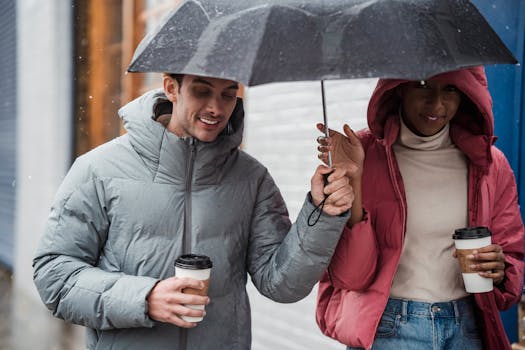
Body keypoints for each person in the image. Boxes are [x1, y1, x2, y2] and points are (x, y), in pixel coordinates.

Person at [32, 72, 355, 350]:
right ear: (171, 88)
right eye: (201, 91)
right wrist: (144, 297)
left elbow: (281, 284)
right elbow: (54, 275)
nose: (216, 108)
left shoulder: (251, 178)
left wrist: (322, 214)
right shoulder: (98, 169)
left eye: (228, 95)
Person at [315, 66, 524, 350]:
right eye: (423, 85)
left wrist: (500, 269)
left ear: (466, 94)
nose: (436, 104)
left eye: (450, 89)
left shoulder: (489, 164)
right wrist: (354, 178)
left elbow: (511, 252)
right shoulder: (360, 155)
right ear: (399, 87)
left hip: (467, 329)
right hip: (388, 331)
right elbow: (351, 276)